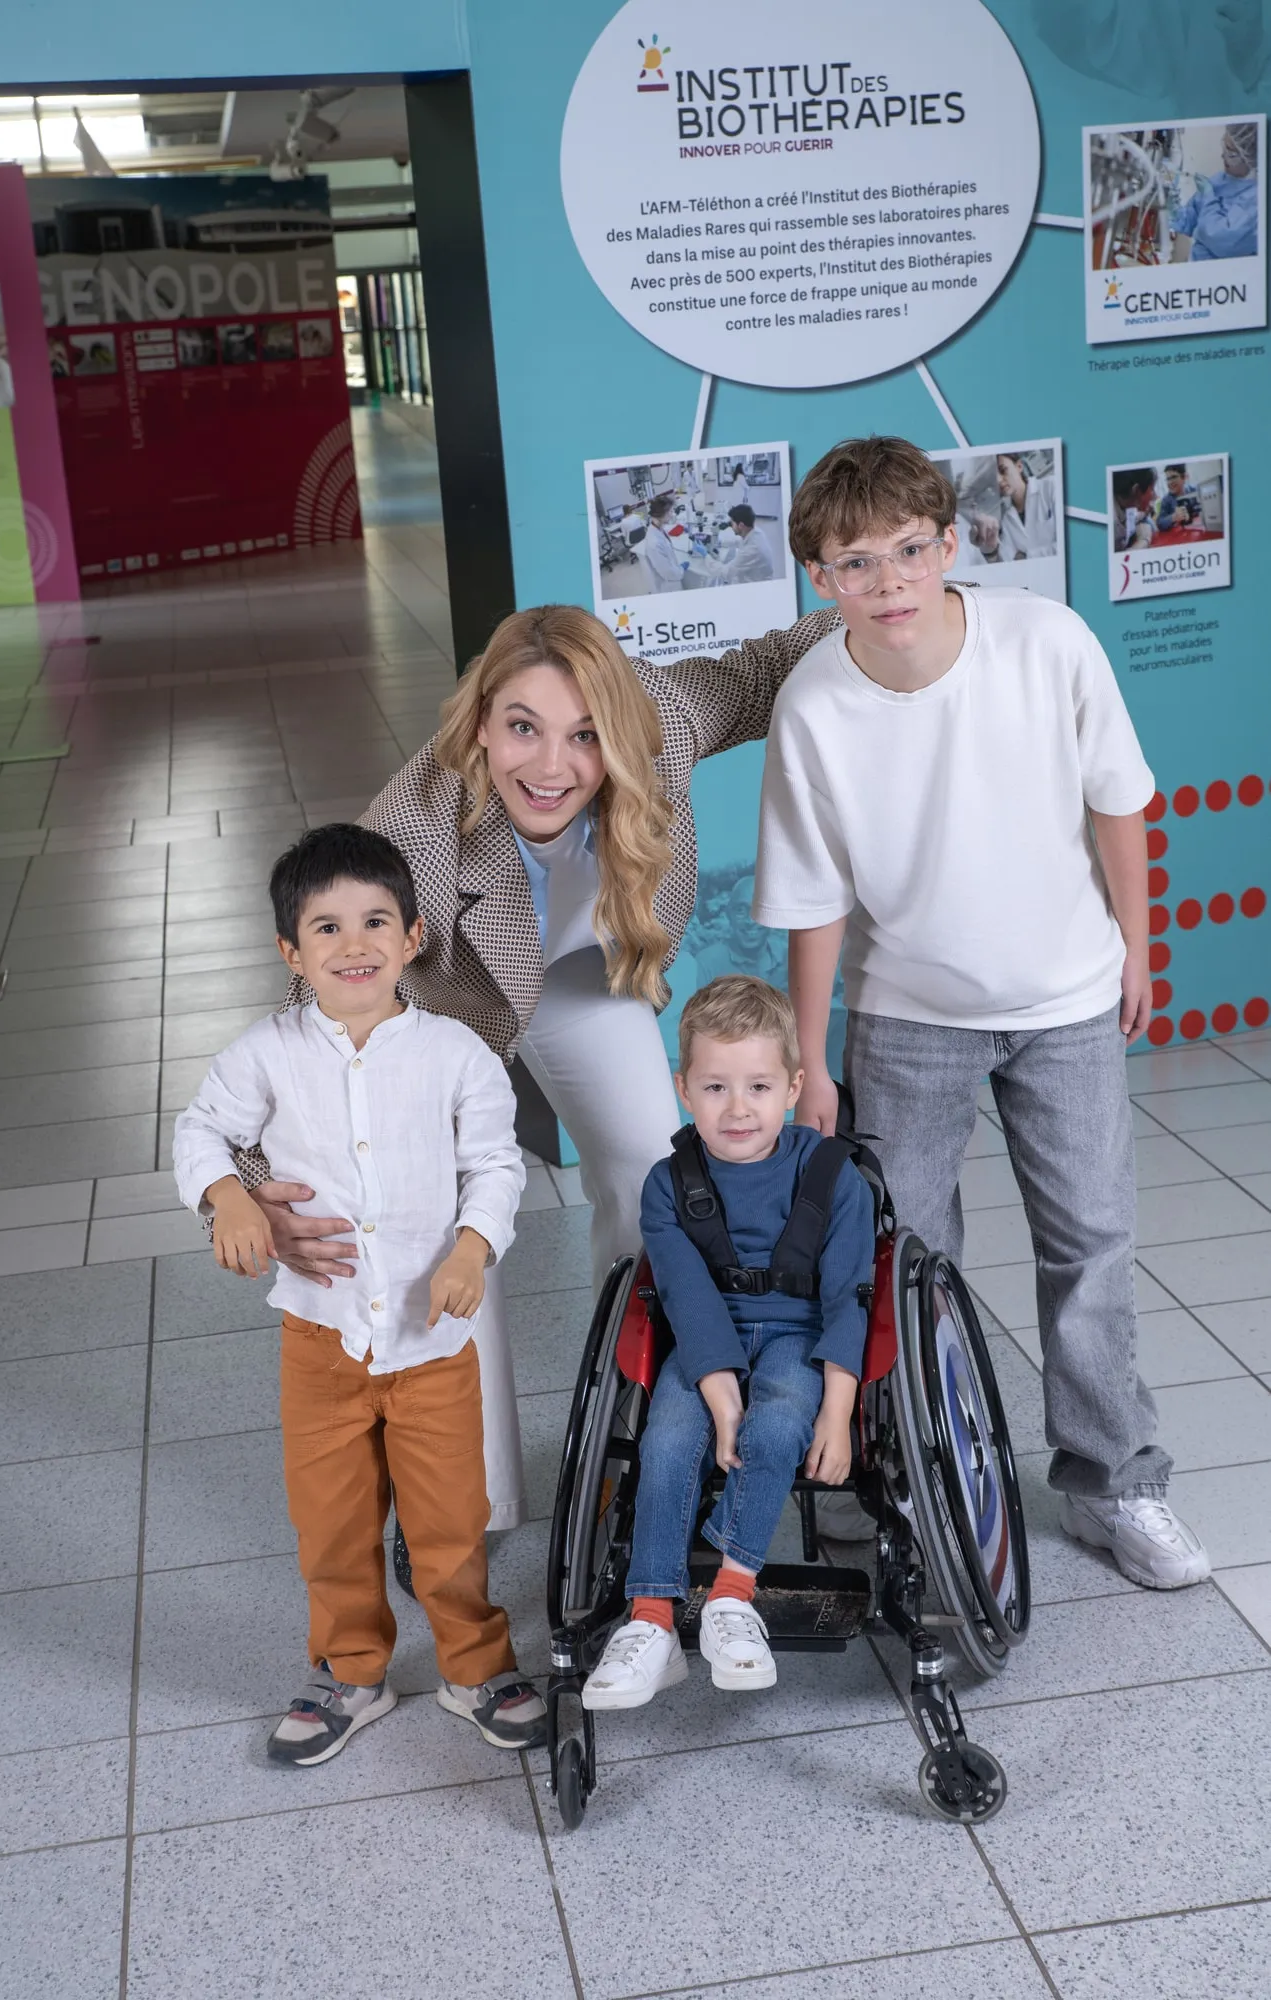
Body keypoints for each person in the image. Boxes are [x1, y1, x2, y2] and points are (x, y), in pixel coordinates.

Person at [229, 603, 841, 1522]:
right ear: (481, 724)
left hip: (587, 976)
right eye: (523, 728)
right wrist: (250, 1178)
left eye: (585, 737)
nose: (551, 767)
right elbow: (318, 1003)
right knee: (444, 1227)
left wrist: (916, 602)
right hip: (441, 1004)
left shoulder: (662, 720)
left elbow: (767, 666)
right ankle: (465, 1503)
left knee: (655, 1176)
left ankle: (639, 1426)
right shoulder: (414, 833)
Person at [753, 433, 1211, 1591]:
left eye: (909, 550)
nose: (889, 580)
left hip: (1062, 998)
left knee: (1090, 1243)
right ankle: (907, 1471)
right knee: (902, 1260)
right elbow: (810, 904)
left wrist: (1134, 950)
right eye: (856, 563)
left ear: (950, 543)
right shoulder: (812, 704)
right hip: (905, 1016)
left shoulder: (1044, 642)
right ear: (819, 576)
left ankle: (1115, 1481)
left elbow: (1118, 805)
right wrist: (810, 1061)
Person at [173, 824, 546, 1766]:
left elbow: (497, 1165)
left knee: (450, 1523)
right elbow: (201, 1131)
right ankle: (350, 1671)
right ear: (290, 953)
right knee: (332, 1521)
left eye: (375, 921)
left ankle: (475, 1667)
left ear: (413, 937)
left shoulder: (457, 1053)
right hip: (320, 1340)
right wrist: (224, 1198)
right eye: (327, 928)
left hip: (431, 1344)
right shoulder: (267, 1052)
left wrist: (472, 1247)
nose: (355, 945)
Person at [581, 977, 875, 1708]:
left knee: (777, 1424)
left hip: (801, 1336)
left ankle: (730, 1595)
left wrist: (837, 1413)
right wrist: (718, 1396)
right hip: (707, 1336)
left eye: (757, 1086)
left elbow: (847, 1299)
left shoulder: (837, 1179)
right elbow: (684, 1293)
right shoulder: (666, 1185)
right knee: (666, 1440)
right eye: (714, 1087)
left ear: (794, 1086)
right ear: (683, 1088)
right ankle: (649, 1618)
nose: (737, 1108)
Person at [1171, 123, 1259, 261]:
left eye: (1231, 153)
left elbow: (1220, 239)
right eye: (1224, 146)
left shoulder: (1257, 199)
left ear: (1250, 157)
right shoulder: (1220, 179)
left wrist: (1208, 197)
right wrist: (1174, 209)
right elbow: (1190, 222)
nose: (1223, 156)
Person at [994, 451, 1057, 560]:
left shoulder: (1051, 487)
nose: (999, 480)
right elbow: (1007, 561)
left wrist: (1027, 556)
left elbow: (1068, 544)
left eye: (1003, 470)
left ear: (1019, 466)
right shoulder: (1007, 520)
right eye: (994, 477)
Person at [714, 503, 776, 585]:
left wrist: (706, 557)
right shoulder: (755, 532)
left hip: (756, 587)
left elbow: (726, 573)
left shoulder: (752, 550)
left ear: (741, 525)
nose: (731, 527)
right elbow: (739, 541)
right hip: (756, 575)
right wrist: (720, 543)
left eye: (732, 524)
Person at [642, 494, 687, 593]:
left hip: (673, 574)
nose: (672, 514)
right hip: (669, 586)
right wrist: (681, 570)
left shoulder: (659, 528)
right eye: (670, 511)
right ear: (660, 514)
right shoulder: (654, 543)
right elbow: (668, 573)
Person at [1111, 466, 1157, 552]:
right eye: (1152, 489)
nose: (1155, 496)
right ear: (1136, 490)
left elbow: (1135, 517)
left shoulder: (1124, 505)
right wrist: (1143, 541)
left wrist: (1146, 512)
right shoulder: (1110, 523)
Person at [1156, 462, 1203, 532]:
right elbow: (1160, 523)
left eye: (1173, 477)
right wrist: (1173, 517)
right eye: (1168, 479)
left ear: (1184, 477)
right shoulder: (1166, 500)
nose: (1170, 482)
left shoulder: (1195, 490)